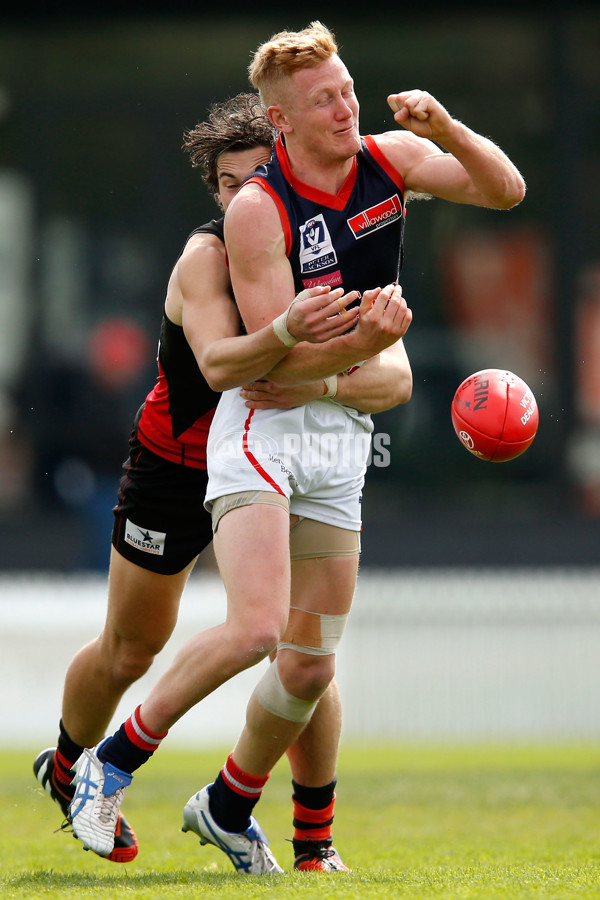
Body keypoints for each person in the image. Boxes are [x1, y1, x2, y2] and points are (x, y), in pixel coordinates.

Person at [67, 17, 525, 874]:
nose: (346, 107)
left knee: (310, 667)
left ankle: (230, 803)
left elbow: (506, 191)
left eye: (348, 89)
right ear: (282, 120)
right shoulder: (257, 209)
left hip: (340, 440)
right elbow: (281, 360)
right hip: (261, 429)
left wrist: (447, 129)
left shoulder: (389, 160)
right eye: (325, 100)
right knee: (254, 629)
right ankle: (106, 765)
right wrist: (364, 349)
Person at [34, 92, 413, 872]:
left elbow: (395, 375)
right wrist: (299, 343)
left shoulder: (319, 251)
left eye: (263, 179)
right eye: (235, 185)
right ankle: (72, 764)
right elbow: (218, 366)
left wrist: (329, 382)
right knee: (131, 648)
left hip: (281, 454)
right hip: (178, 461)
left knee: (305, 653)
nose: (252, 199)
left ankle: (314, 840)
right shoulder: (205, 259)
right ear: (216, 194)